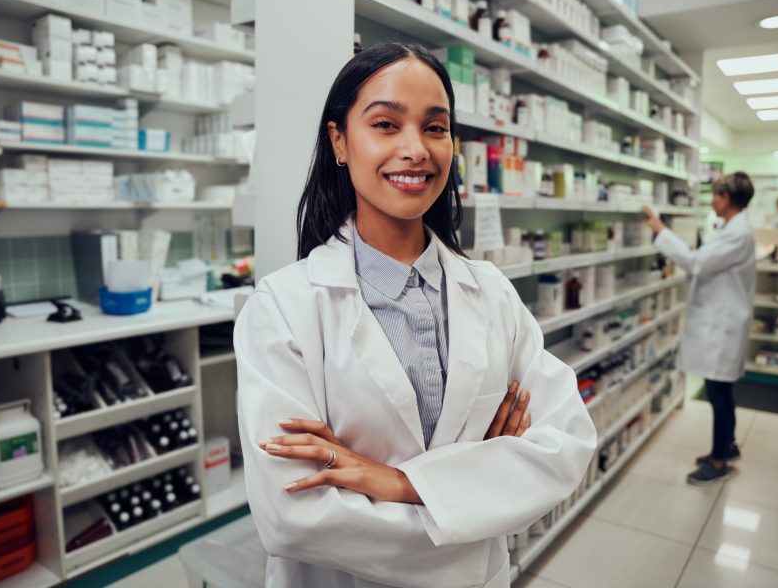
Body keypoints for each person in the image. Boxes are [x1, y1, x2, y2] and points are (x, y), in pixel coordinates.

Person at [234, 42, 597, 588]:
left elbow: (566, 445)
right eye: (385, 124)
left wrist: (398, 482)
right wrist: (479, 488)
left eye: (434, 128)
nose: (415, 150)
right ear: (339, 140)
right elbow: (293, 519)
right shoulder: (284, 307)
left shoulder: (492, 293)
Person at [642, 172, 756, 486]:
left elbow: (696, 262)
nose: (713, 200)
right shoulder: (732, 229)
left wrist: (661, 231)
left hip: (723, 327)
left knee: (718, 395)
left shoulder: (738, 234)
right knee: (723, 392)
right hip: (722, 322)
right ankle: (727, 447)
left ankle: (718, 461)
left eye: (717, 195)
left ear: (727, 198)